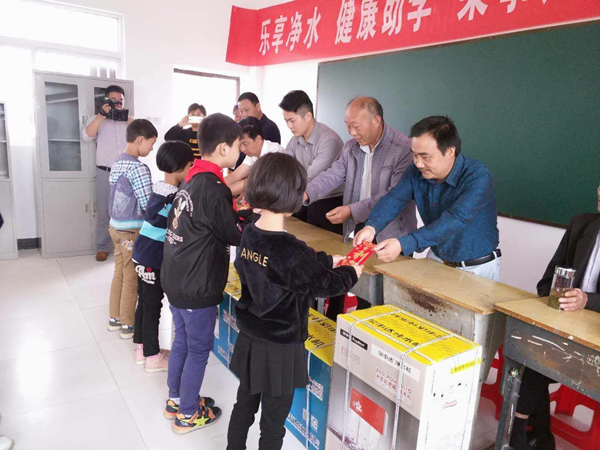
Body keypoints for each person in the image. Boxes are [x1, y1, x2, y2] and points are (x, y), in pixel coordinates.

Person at [226, 153, 362, 450]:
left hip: (250, 338)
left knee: (243, 407)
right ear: (292, 196)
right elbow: (326, 284)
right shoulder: (291, 250)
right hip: (281, 348)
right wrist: (352, 271)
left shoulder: (249, 231)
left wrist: (327, 259)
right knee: (273, 425)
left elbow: (289, 267)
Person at [161, 113, 247, 434]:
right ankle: (187, 414)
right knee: (198, 350)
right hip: (197, 285)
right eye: (238, 145)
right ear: (224, 149)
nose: (240, 150)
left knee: (182, 341)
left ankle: (176, 399)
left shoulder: (194, 179)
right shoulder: (213, 187)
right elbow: (233, 233)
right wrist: (255, 220)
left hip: (176, 279)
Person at [354, 115, 501, 281]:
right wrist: (372, 226)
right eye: (415, 155)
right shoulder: (416, 170)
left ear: (450, 151)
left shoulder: (477, 176)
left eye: (425, 156)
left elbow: (456, 219)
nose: (418, 163)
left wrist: (403, 244)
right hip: (437, 259)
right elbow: (395, 198)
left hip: (476, 267)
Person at [510, 181, 600, 450]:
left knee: (537, 360)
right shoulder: (582, 224)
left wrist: (588, 300)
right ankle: (526, 434)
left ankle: (525, 433)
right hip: (567, 322)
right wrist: (552, 301)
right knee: (532, 352)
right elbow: (549, 279)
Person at [131, 141, 195, 372]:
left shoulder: (159, 190)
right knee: (152, 307)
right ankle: (152, 356)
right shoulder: (174, 198)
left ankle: (141, 348)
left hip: (141, 255)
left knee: (144, 303)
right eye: (190, 165)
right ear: (181, 167)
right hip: (152, 260)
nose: (192, 169)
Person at [106, 119, 158, 339]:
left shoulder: (117, 162)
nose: (152, 149)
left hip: (115, 227)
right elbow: (147, 204)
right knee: (131, 277)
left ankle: (114, 318)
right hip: (130, 231)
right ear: (140, 140)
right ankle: (128, 324)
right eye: (151, 144)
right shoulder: (139, 168)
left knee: (119, 272)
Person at [280, 90, 345, 234]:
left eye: (292, 121)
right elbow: (286, 169)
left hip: (328, 200)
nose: (289, 126)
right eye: (286, 121)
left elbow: (311, 176)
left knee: (323, 242)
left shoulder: (329, 140)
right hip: (302, 195)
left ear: (308, 116)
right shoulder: (294, 140)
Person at [82, 85, 132, 262]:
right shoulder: (97, 119)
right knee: (104, 211)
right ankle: (103, 247)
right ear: (106, 101)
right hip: (105, 172)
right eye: (113, 100)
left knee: (127, 211)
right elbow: (86, 136)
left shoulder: (129, 121)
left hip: (127, 173)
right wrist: (101, 116)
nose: (117, 103)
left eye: (120, 101)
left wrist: (131, 122)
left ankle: (125, 246)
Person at [224, 117, 283, 196]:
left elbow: (254, 182)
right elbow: (235, 176)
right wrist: (213, 185)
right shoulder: (253, 153)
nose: (242, 149)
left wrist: (221, 192)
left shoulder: (274, 151)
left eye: (245, 144)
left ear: (258, 139)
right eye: (240, 145)